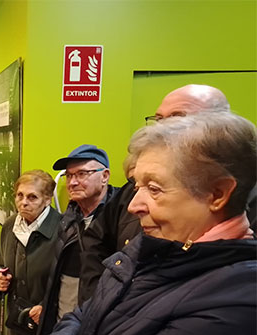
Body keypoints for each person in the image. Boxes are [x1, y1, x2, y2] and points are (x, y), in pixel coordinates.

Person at [19, 111, 256, 335]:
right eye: (136, 186)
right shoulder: (155, 246)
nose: (134, 205)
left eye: (154, 189)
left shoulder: (236, 302)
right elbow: (88, 311)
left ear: (217, 194)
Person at [78, 84, 238, 305]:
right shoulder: (131, 191)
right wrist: (97, 303)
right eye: (159, 119)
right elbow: (96, 242)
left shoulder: (243, 204)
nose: (136, 206)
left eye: (177, 118)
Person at [36, 144, 116, 335]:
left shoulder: (121, 218)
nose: (72, 182)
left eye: (82, 174)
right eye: (69, 176)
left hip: (101, 327)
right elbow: (59, 274)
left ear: (105, 176)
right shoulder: (68, 218)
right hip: (64, 321)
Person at [0, 170, 61, 335]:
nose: (24, 202)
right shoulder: (9, 226)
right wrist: (0, 279)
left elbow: (67, 281)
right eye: (20, 195)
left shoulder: (62, 229)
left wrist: (47, 307)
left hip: (47, 319)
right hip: (19, 317)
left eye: (32, 197)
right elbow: (2, 263)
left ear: (47, 199)